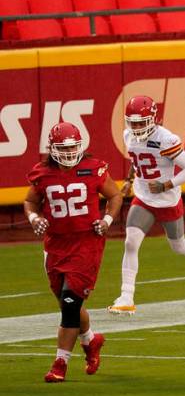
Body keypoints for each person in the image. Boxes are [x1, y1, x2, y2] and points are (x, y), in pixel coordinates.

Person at [25, 122, 122, 382]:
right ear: (52, 149)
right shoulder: (43, 173)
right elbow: (30, 201)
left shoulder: (93, 168)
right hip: (55, 245)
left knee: (69, 302)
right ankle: (91, 340)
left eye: (72, 148)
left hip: (86, 244)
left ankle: (60, 363)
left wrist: (107, 221)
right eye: (62, 148)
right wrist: (34, 218)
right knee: (67, 302)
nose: (68, 153)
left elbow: (115, 196)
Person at [109, 95, 185, 314]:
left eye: (141, 122)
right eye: (133, 122)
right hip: (143, 197)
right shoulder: (128, 134)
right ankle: (126, 297)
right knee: (130, 243)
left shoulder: (166, 139)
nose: (137, 127)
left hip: (167, 200)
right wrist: (130, 180)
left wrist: (168, 184)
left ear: (152, 119)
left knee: (178, 245)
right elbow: (136, 160)